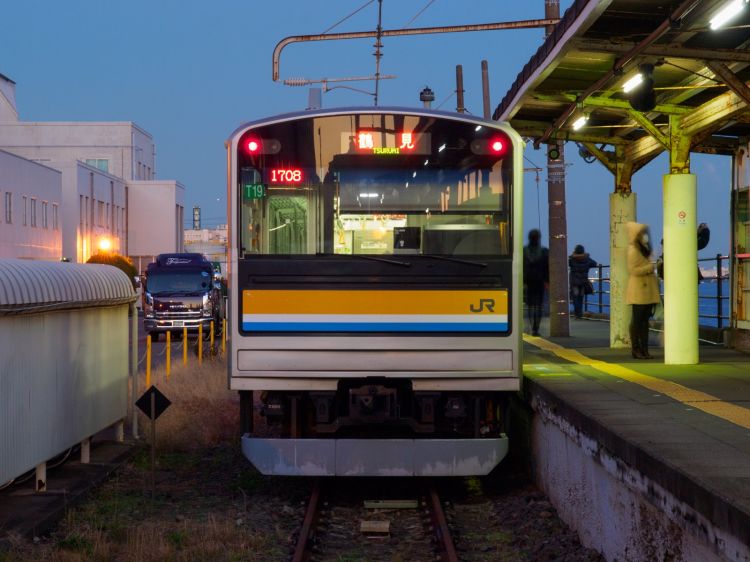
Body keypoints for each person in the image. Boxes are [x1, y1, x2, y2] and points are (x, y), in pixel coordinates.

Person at [626, 222, 661, 359]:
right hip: (639, 290)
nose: (645, 236)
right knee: (638, 320)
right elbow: (633, 270)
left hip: (646, 289)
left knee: (644, 320)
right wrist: (651, 267)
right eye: (642, 233)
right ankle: (637, 349)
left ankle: (644, 349)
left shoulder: (642, 248)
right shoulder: (633, 250)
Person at [523, 228, 549, 336]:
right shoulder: (544, 251)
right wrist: (547, 281)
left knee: (529, 305)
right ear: (539, 238)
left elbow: (522, 267)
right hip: (540, 281)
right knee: (539, 305)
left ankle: (530, 325)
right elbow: (547, 268)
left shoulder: (524, 251)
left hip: (528, 281)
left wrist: (522, 281)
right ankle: (535, 329)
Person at [569, 245, 597, 319]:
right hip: (583, 281)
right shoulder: (586, 259)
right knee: (581, 297)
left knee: (575, 298)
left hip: (574, 281)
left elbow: (565, 263)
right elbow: (594, 263)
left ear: (575, 251)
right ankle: (579, 313)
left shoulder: (572, 259)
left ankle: (577, 314)